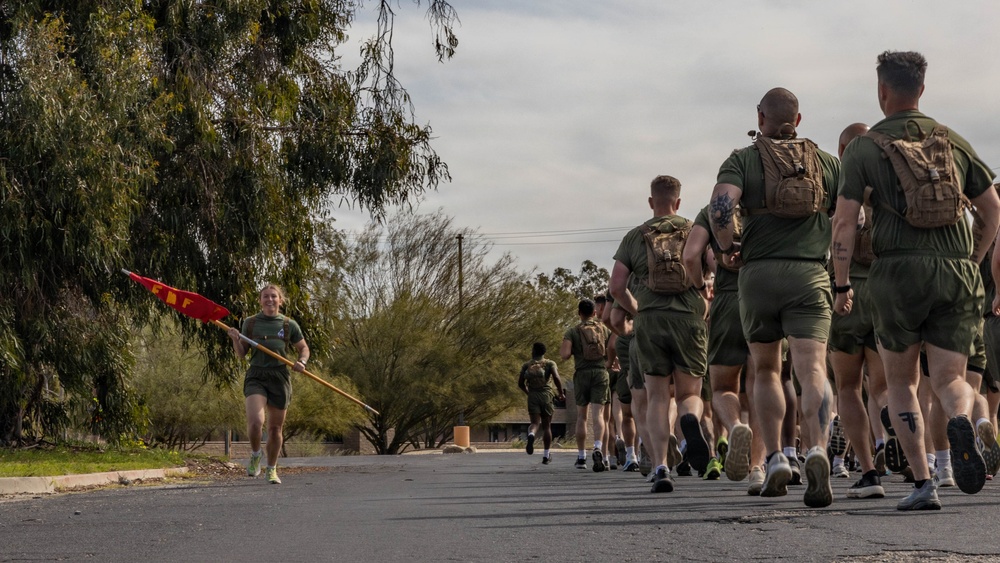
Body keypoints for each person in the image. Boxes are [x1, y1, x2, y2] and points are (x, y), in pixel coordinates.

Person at [832, 50, 999, 510]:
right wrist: (973, 257)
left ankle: (923, 481)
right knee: (950, 378)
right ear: (921, 90)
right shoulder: (954, 141)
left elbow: (844, 223)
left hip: (896, 274)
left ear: (881, 91)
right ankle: (962, 417)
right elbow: (992, 210)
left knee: (901, 383)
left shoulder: (864, 148)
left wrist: (843, 284)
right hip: (956, 270)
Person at [709, 87, 840, 508]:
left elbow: (720, 207)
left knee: (765, 370)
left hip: (759, 276)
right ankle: (816, 446)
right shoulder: (826, 164)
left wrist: (729, 244)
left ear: (760, 117)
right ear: (798, 120)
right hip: (810, 275)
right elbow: (849, 221)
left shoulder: (742, 159)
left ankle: (776, 457)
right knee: (811, 368)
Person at [610, 175, 710, 493]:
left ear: (652, 202)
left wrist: (637, 309)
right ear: (678, 202)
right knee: (688, 395)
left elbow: (616, 288)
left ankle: (660, 467)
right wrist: (703, 298)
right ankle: (689, 421)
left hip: (650, 321)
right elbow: (712, 270)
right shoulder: (695, 230)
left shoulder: (635, 236)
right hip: (689, 320)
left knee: (656, 397)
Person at [827, 122, 887, 500]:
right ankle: (890, 434)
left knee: (848, 387)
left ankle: (867, 470)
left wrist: (839, 285)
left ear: (842, 152)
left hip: (846, 294)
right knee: (884, 387)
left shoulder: (836, 189)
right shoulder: (890, 186)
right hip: (883, 294)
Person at [684, 203, 757, 487]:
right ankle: (766, 461)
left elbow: (692, 256)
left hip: (727, 299)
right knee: (764, 379)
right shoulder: (768, 203)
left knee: (722, 387)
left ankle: (729, 433)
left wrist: (703, 287)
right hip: (766, 292)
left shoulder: (714, 212)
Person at [228, 284, 310, 485]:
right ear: (260, 300)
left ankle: (271, 469)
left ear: (280, 301)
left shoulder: (289, 325)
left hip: (279, 377)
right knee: (256, 422)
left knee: (275, 429)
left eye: (274, 296)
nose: (270, 300)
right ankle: (256, 455)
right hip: (256, 375)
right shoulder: (251, 323)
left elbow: (304, 348)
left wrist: (302, 362)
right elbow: (241, 354)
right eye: (266, 296)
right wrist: (234, 339)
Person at [560, 299, 612, 471]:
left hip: (581, 374)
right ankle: (599, 449)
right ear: (595, 313)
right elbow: (613, 348)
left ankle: (581, 457)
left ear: (579, 313)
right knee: (599, 415)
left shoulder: (572, 331)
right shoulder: (603, 329)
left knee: (582, 416)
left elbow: (565, 355)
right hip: (600, 373)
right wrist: (608, 363)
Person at [518, 342, 566, 465]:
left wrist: (528, 393)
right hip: (547, 396)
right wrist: (561, 393)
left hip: (533, 395)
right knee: (547, 426)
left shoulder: (526, 365)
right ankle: (546, 455)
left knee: (534, 423)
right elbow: (556, 377)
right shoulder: (550, 363)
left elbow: (520, 384)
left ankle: (531, 434)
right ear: (543, 352)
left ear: (533, 351)